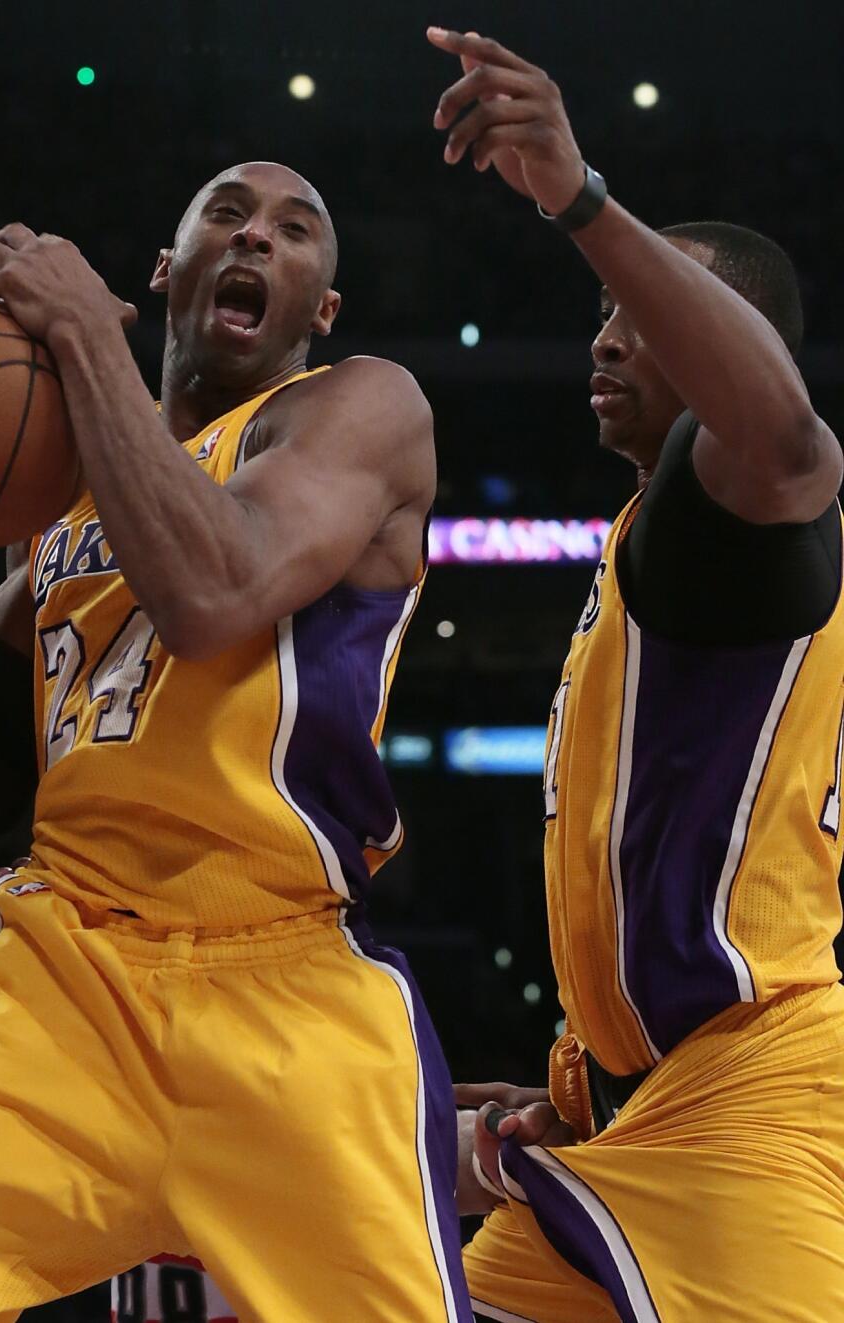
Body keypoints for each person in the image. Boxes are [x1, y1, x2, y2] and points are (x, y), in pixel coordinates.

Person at [0, 160, 471, 1323]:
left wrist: (81, 336)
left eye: (295, 230)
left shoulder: (360, 409)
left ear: (322, 307)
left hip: (288, 988)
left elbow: (219, 592)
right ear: (168, 272)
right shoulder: (59, 511)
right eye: (226, 215)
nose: (258, 239)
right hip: (64, 969)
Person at [426, 26, 844, 1323]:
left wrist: (584, 202)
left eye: (641, 312)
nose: (607, 338)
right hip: (644, 1107)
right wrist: (579, 1084)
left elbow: (778, 436)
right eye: (604, 313)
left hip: (762, 1101)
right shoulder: (648, 545)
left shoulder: (748, 510)